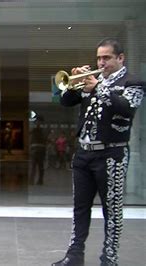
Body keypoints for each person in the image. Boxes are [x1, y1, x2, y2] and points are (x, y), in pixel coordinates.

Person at [52, 38, 145, 266]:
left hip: (111, 155)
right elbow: (65, 101)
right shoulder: (91, 81)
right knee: (80, 208)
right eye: (99, 58)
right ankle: (74, 256)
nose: (101, 63)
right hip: (83, 154)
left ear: (120, 58)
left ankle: (109, 258)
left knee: (111, 210)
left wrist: (98, 87)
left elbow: (126, 108)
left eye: (107, 58)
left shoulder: (133, 82)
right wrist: (74, 83)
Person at [29, 118, 46, 185]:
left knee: (37, 166)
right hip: (38, 150)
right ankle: (37, 180)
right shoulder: (40, 130)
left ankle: (35, 180)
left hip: (37, 150)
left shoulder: (35, 130)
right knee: (38, 167)